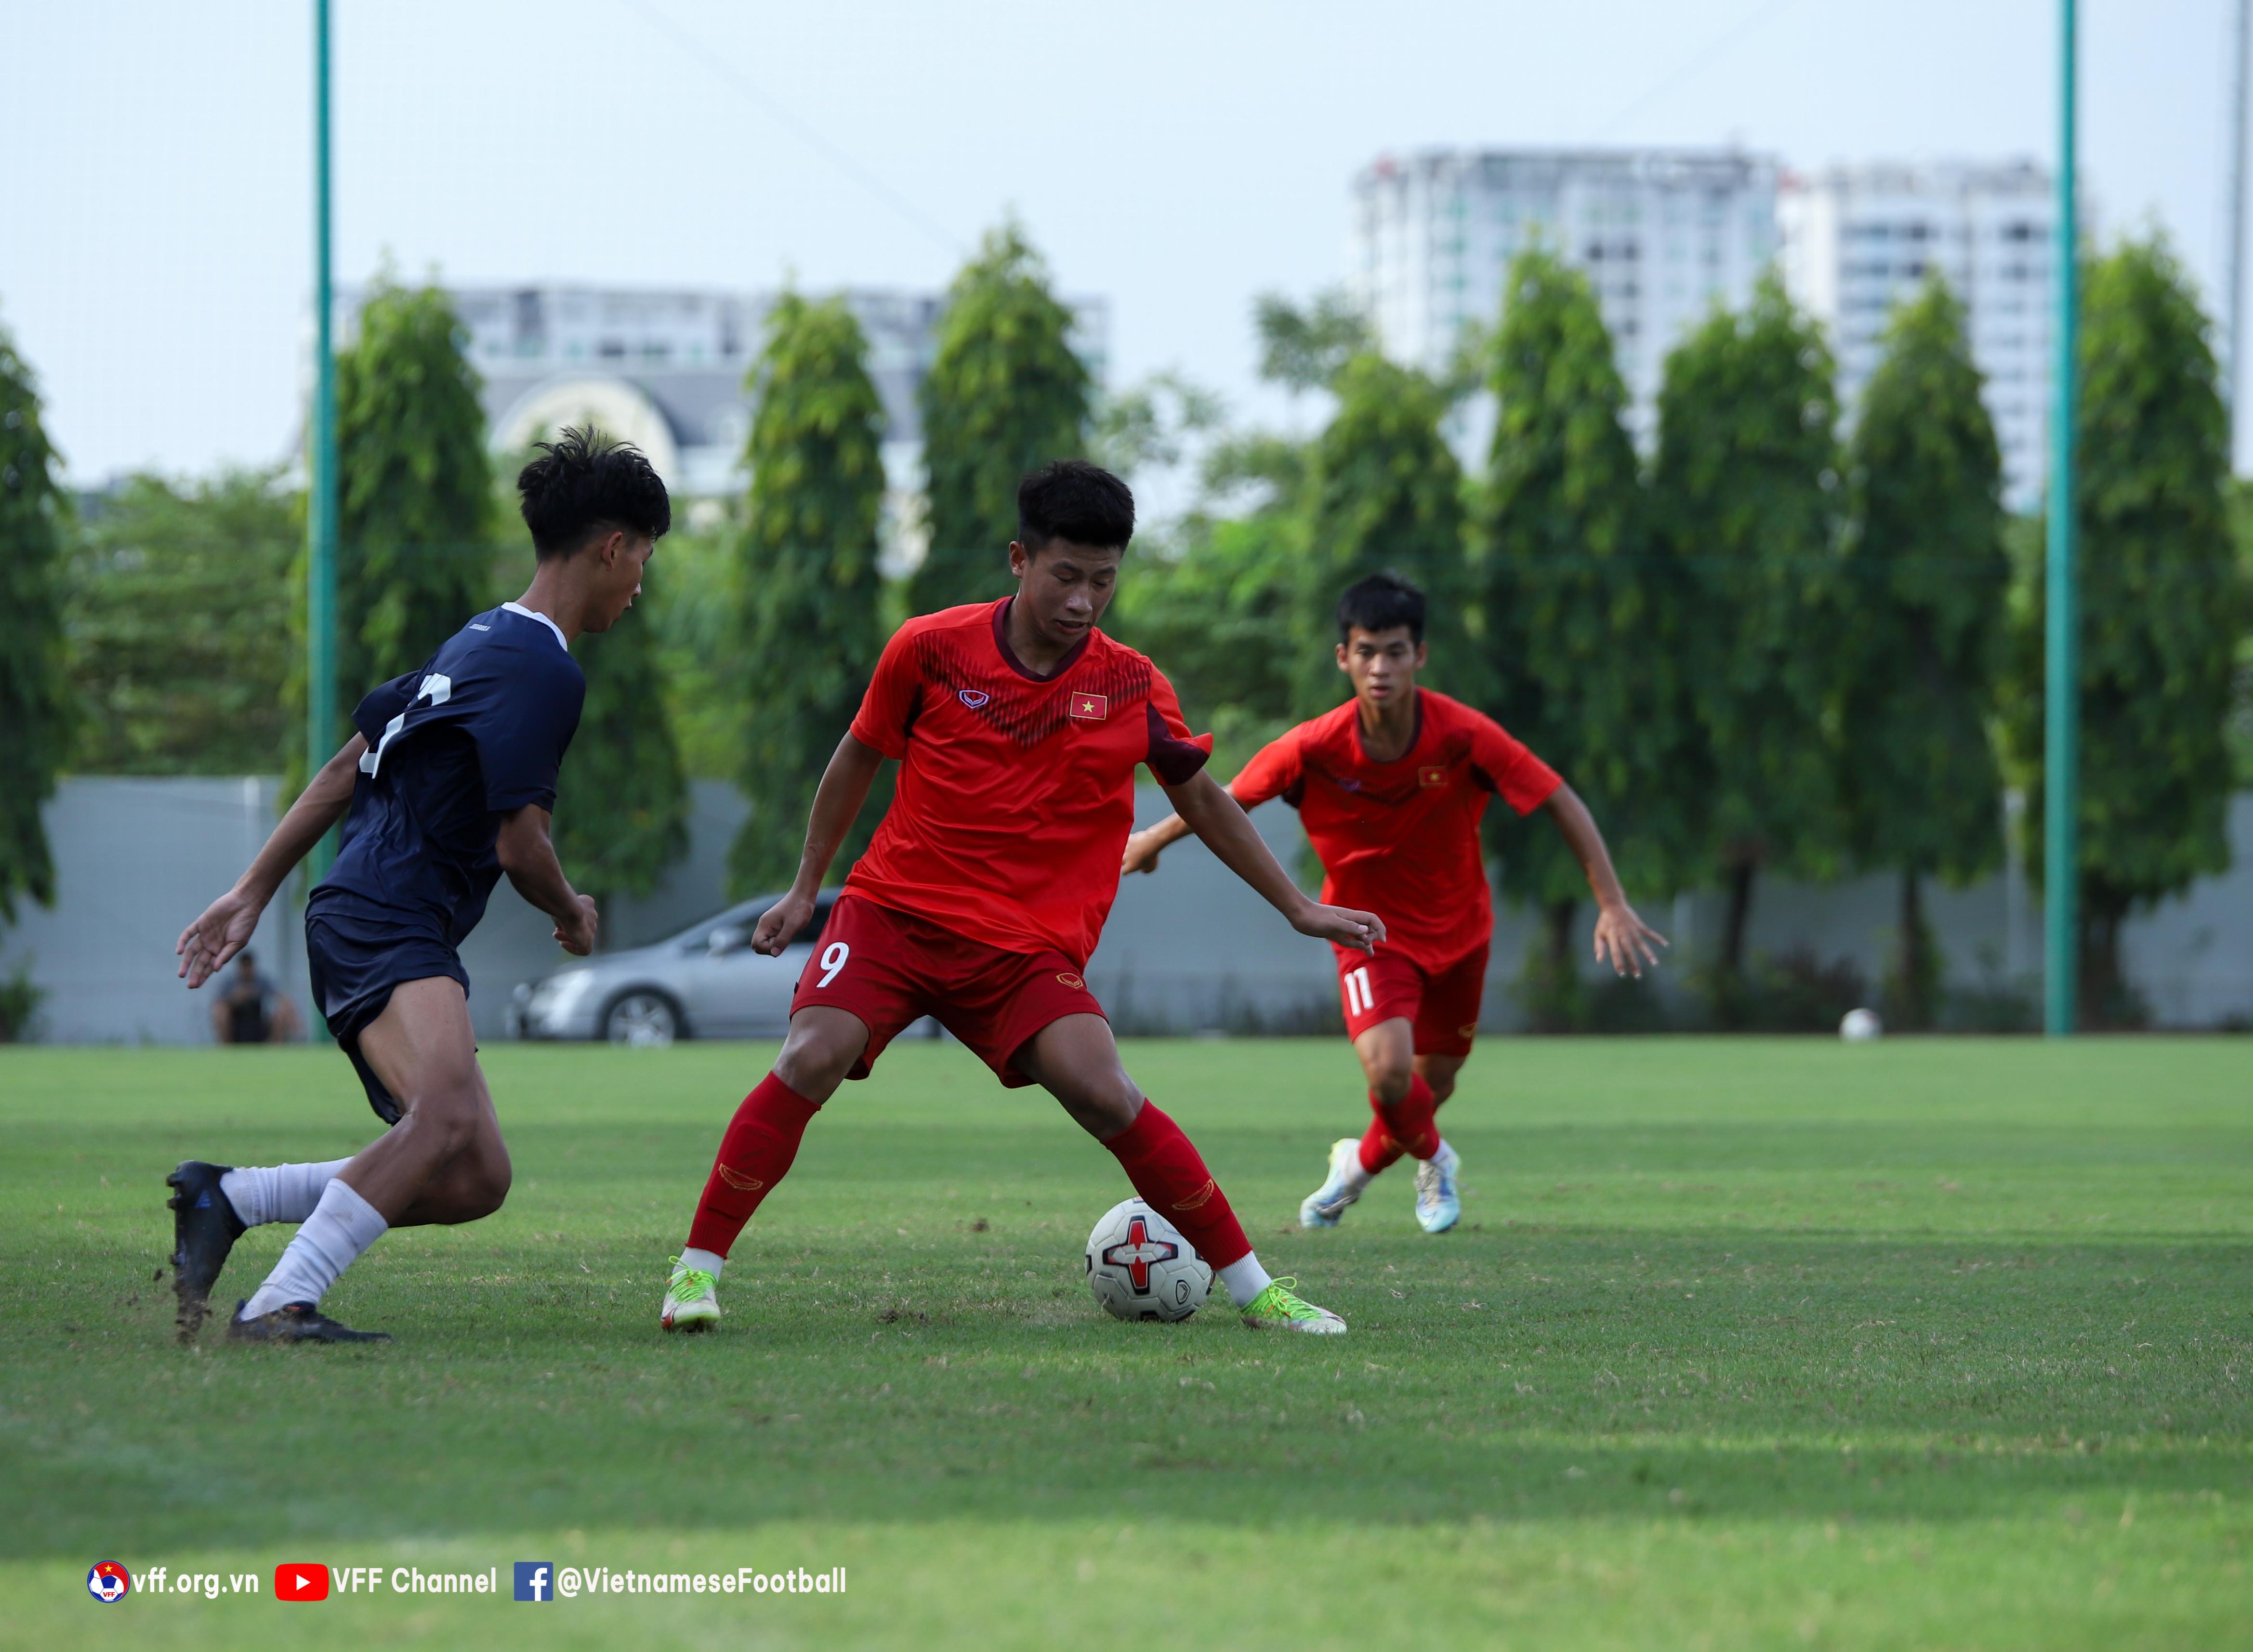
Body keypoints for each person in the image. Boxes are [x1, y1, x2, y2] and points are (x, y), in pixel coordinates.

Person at [660, 460, 1386, 1336]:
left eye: (1104, 579)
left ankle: (1256, 1292)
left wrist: (1297, 908)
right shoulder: (928, 648)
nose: (1083, 600)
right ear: (1019, 559)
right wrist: (806, 887)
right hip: (894, 915)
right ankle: (695, 1275)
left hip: (1022, 951)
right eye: (1066, 576)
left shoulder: (1131, 684)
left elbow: (1202, 797)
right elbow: (857, 758)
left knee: (1105, 1091)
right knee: (811, 1055)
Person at [167, 428, 666, 1343]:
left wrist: (252, 891)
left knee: (476, 1176)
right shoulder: (544, 669)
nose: (639, 584)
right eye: (643, 559)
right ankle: (281, 1302)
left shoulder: (476, 640)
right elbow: (522, 845)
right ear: (612, 547)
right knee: (439, 1122)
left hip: (372, 913)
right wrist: (572, 910)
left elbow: (343, 769)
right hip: (387, 915)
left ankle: (230, 1198)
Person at [1121, 572, 1665, 1235]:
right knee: (1388, 1073)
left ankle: (1357, 1166)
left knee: (1429, 1088)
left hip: (1462, 933)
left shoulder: (1462, 735)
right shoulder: (1315, 744)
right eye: (1367, 650)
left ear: (1420, 656)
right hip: (1365, 931)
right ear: (1343, 656)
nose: (1381, 667)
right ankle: (1437, 1156)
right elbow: (1223, 796)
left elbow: (1559, 798)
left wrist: (1610, 901)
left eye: (1396, 651)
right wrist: (1152, 837)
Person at [209, 950, 303, 1045]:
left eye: (248, 966)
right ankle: (227, 1047)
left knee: (283, 1009)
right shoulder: (230, 983)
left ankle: (276, 1046)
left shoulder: (261, 981)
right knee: (220, 1011)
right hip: (236, 1025)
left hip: (258, 1025)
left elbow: (281, 998)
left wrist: (294, 1018)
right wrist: (235, 999)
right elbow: (218, 1004)